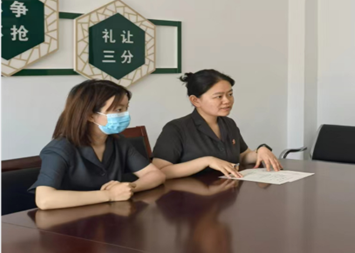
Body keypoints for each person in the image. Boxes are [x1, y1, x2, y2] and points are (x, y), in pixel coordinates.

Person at [30, 80, 165, 210]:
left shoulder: (118, 141)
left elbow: (155, 174)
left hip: (112, 214)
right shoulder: (59, 148)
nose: (125, 115)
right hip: (71, 221)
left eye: (126, 108)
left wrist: (128, 188)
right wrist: (109, 195)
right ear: (90, 115)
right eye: (118, 110)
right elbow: (44, 199)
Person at [152, 69, 282, 179]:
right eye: (219, 96)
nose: (227, 101)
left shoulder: (229, 123)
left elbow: (242, 156)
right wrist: (206, 161)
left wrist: (260, 151)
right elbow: (159, 172)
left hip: (227, 191)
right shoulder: (176, 129)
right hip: (189, 196)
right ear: (195, 100)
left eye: (230, 94)